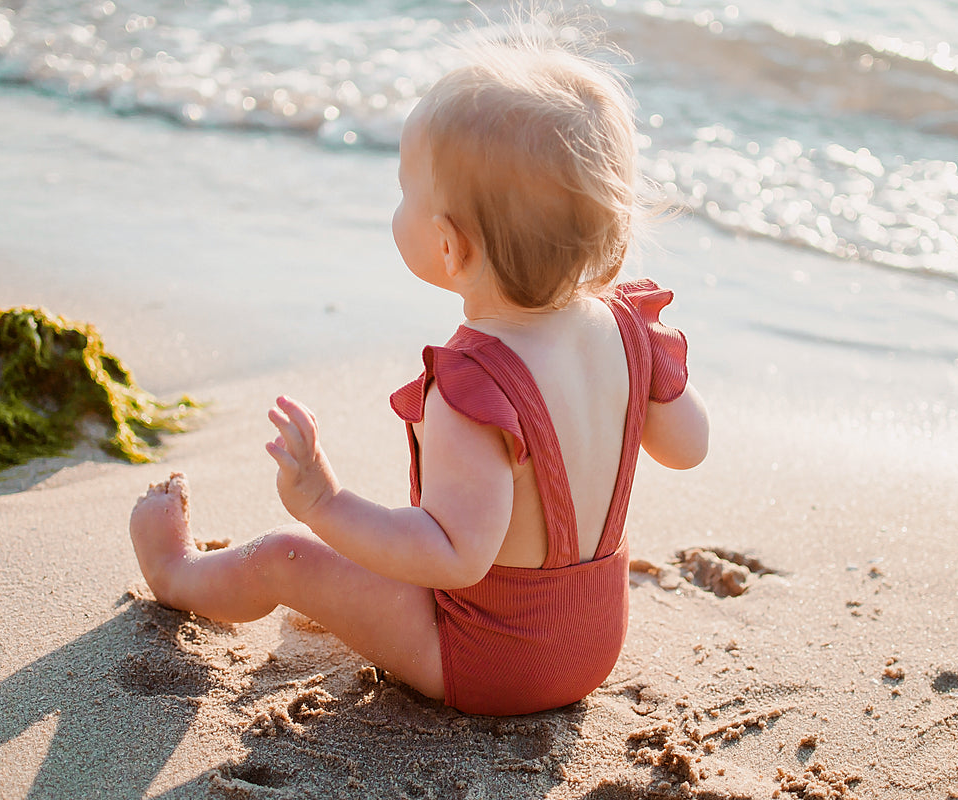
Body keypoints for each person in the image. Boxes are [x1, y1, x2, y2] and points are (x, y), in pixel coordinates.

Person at [129, 30, 709, 717]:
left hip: (489, 663)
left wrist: (324, 502)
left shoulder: (474, 385)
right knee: (396, 539)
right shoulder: (629, 328)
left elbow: (454, 559)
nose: (397, 205)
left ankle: (176, 572)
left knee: (282, 556)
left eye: (405, 191)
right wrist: (653, 373)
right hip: (592, 644)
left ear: (449, 245)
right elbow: (688, 447)